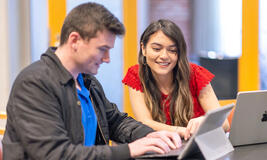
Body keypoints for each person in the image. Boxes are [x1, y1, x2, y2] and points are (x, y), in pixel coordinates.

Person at [2, 3, 181, 159]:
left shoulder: (87, 81)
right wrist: (129, 150)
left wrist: (152, 136)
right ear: (75, 40)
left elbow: (117, 122)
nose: (107, 58)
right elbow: (55, 154)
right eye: (102, 49)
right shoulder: (35, 83)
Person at [122, 19, 230, 140]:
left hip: (199, 147)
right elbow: (145, 122)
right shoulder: (136, 75)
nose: (164, 56)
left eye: (172, 50)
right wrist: (182, 131)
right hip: (162, 149)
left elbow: (224, 124)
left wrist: (205, 121)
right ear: (143, 48)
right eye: (157, 49)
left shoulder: (196, 74)